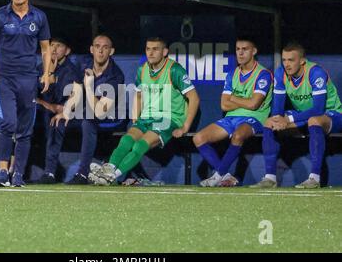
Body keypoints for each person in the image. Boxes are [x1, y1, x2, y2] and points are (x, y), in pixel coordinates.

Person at [88, 37, 200, 185]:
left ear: (165, 52)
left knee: (139, 145)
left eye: (155, 49)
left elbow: (194, 98)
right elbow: (138, 95)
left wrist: (185, 126)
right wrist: (135, 116)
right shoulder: (142, 70)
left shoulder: (174, 70)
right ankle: (108, 170)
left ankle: (111, 176)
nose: (151, 53)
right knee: (126, 140)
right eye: (148, 49)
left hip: (168, 119)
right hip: (146, 117)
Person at [0, 0, 51, 187]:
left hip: (29, 79)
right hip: (5, 77)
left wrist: (46, 74)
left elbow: (46, 49)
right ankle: (3, 172)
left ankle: (18, 173)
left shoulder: (39, 17)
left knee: (25, 129)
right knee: (8, 123)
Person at [251, 42, 342, 189]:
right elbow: (278, 109)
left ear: (302, 61)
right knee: (269, 122)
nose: (287, 64)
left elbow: (318, 109)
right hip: (304, 117)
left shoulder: (315, 73)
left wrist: (288, 119)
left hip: (332, 115)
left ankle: (314, 179)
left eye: (291, 60)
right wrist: (279, 120)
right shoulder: (281, 73)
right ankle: (270, 178)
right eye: (284, 60)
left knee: (314, 120)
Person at [193, 38, 272, 187]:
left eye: (245, 49)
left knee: (238, 135)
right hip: (232, 117)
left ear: (254, 51)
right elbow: (224, 105)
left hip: (254, 118)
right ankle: (226, 176)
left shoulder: (263, 74)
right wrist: (244, 101)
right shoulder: (232, 74)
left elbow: (254, 104)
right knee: (199, 138)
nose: (240, 53)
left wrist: (234, 98)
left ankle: (217, 175)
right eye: (237, 49)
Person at [51, 34, 127, 184]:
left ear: (111, 52)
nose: (100, 51)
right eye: (97, 47)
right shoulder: (84, 64)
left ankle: (83, 174)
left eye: (105, 48)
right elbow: (77, 89)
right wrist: (66, 111)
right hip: (88, 111)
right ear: (91, 49)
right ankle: (50, 173)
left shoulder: (116, 75)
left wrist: (89, 86)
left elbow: (100, 111)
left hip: (111, 117)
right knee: (57, 121)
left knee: (88, 121)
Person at [36, 37, 81, 184]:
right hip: (42, 112)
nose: (54, 49)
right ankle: (15, 172)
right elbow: (32, 96)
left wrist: (64, 109)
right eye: (51, 45)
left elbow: (74, 97)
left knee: (56, 122)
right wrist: (48, 74)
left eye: (59, 45)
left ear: (67, 51)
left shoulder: (73, 71)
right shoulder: (39, 68)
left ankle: (49, 172)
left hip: (68, 115)